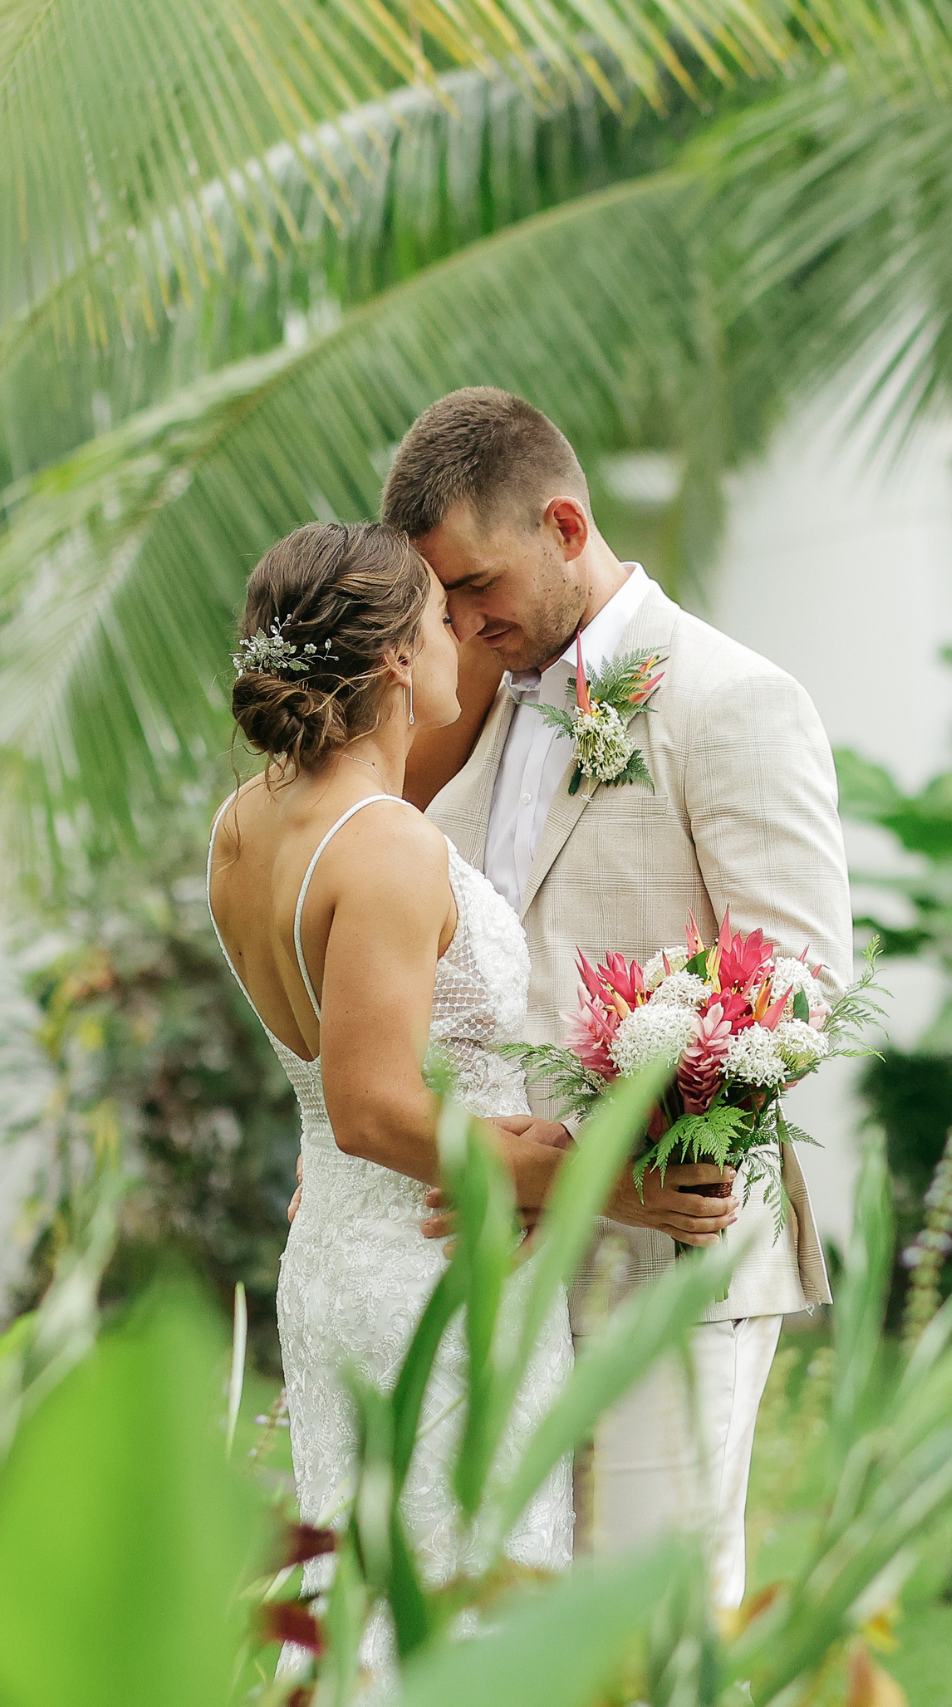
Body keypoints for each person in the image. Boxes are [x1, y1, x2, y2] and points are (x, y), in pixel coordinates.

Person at [385, 387, 853, 1609]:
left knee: (654, 1633)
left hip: (671, 1255)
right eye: (442, 601)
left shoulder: (732, 701)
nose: (461, 622)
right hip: (497, 1270)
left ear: (564, 526)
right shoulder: (474, 712)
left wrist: (604, 1164)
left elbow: (800, 985)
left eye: (477, 585)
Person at [206, 521, 603, 1659]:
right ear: (392, 658)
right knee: (465, 1608)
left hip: (335, 1257)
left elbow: (329, 1073)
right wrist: (561, 1170)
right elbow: (370, 1107)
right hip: (435, 1278)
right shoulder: (383, 845)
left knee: (366, 1604)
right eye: (439, 620)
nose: (457, 637)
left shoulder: (244, 824)